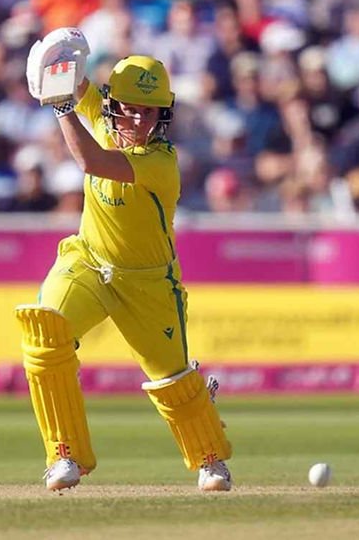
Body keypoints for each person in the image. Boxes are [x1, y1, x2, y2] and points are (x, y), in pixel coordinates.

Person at [16, 27, 233, 492]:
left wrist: (60, 110)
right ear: (113, 103)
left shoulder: (161, 163)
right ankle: (64, 455)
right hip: (88, 264)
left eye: (147, 112)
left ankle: (209, 457)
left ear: (163, 115)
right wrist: (62, 59)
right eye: (128, 108)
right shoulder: (100, 111)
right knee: (44, 331)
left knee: (172, 379)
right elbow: (77, 85)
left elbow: (93, 161)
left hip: (149, 283)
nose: (135, 120)